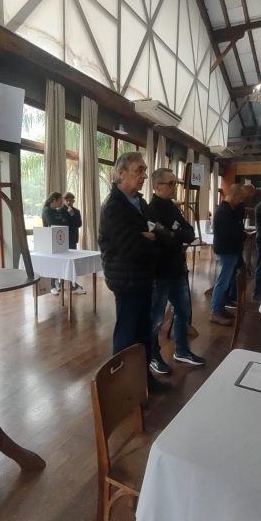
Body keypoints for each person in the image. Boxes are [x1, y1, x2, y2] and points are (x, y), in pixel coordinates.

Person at [98, 152, 167, 391]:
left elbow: (159, 235)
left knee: (143, 333)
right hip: (126, 280)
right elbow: (132, 247)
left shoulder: (141, 203)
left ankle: (144, 380)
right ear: (121, 173)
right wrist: (149, 238)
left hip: (144, 278)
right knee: (127, 335)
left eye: (145, 170)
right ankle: (123, 389)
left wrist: (149, 237)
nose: (144, 175)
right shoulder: (113, 207)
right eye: (139, 170)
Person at [146, 168, 205, 374]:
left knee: (183, 311)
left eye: (175, 183)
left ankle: (181, 350)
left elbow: (189, 233)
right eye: (170, 183)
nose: (174, 187)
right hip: (160, 271)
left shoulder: (172, 208)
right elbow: (166, 240)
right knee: (156, 319)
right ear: (157, 186)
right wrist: (172, 235)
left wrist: (169, 232)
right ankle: (152, 355)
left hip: (177, 269)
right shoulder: (150, 210)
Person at [210, 184, 246, 325]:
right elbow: (228, 233)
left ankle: (220, 307)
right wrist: (242, 235)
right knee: (222, 282)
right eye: (240, 198)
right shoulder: (224, 212)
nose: (241, 201)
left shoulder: (229, 210)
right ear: (233, 195)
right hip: (226, 251)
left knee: (225, 282)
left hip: (230, 250)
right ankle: (215, 312)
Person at [41, 192, 69, 295]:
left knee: (59, 262)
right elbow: (53, 223)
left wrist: (61, 220)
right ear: (54, 200)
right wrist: (61, 220)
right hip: (50, 241)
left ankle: (57, 282)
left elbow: (65, 222)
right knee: (53, 263)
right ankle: (52, 284)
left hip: (59, 240)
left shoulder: (57, 211)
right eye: (60, 200)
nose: (61, 203)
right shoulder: (46, 211)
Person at [63, 192, 85, 294]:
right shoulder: (60, 210)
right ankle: (60, 283)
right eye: (68, 200)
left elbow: (78, 224)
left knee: (72, 262)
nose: (70, 202)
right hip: (62, 239)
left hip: (72, 239)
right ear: (64, 200)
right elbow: (63, 223)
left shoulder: (76, 211)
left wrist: (72, 214)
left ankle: (73, 284)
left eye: (72, 200)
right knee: (63, 262)